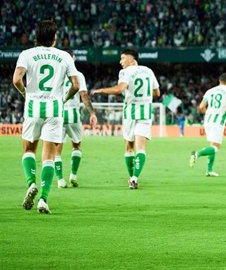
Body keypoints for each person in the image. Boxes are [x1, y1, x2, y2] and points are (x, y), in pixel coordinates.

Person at [12, 20, 80, 214]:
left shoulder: (27, 54)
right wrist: (64, 98)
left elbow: (16, 79)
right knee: (49, 155)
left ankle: (31, 183)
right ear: (54, 37)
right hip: (55, 108)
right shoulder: (64, 56)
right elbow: (75, 84)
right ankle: (43, 199)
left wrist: (26, 93)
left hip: (33, 107)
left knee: (29, 149)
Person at [91, 49, 160, 189]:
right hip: (145, 113)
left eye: (122, 58)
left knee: (129, 147)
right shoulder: (148, 70)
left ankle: (131, 177)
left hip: (130, 113)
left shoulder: (125, 72)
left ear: (131, 58)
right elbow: (157, 93)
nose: (120, 62)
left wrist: (100, 90)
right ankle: (134, 178)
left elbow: (119, 89)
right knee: (141, 149)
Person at [54, 50, 98, 188]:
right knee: (76, 145)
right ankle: (73, 175)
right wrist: (92, 113)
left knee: (57, 150)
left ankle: (60, 179)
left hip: (57, 114)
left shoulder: (56, 74)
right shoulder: (78, 75)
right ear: (73, 58)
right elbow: (84, 95)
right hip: (73, 114)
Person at [190, 73, 226, 176]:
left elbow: (201, 107)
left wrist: (209, 113)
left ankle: (209, 170)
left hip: (208, 120)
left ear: (219, 81)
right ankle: (197, 154)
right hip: (218, 122)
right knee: (216, 147)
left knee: (212, 144)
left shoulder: (210, 91)